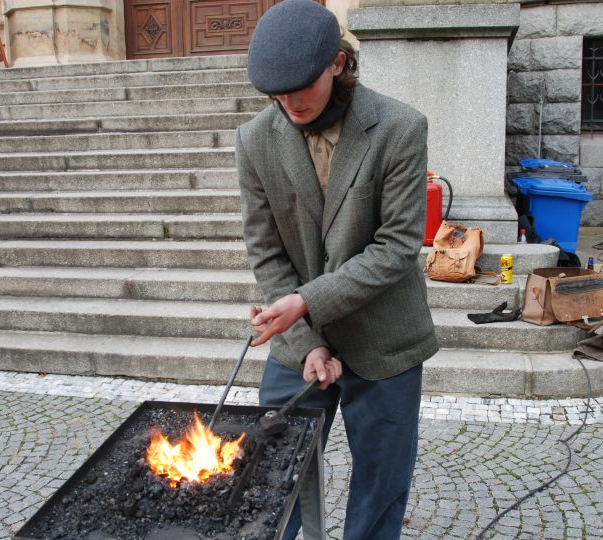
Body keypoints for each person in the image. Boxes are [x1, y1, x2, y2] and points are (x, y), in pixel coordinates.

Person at [236, 1, 438, 538]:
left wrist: (306, 300)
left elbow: (396, 247)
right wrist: (306, 340)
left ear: (337, 64)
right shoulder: (254, 140)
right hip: (297, 335)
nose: (289, 103)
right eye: (276, 94)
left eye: (300, 85)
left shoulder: (399, 127)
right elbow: (266, 250)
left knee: (379, 488)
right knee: (269, 479)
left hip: (385, 336)